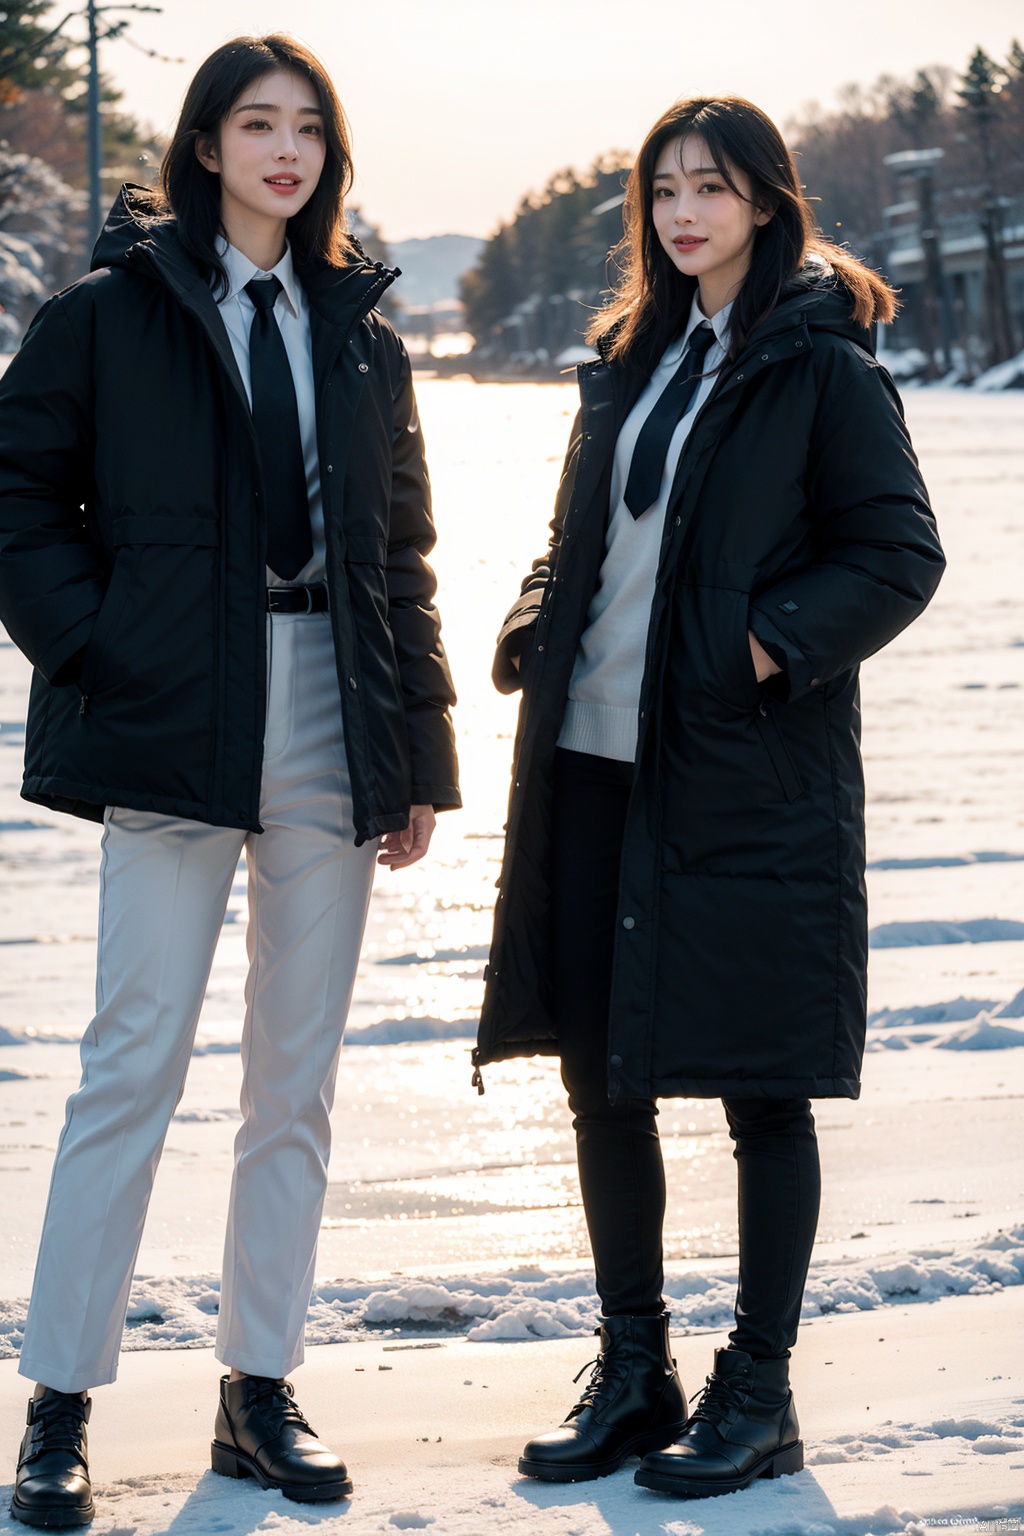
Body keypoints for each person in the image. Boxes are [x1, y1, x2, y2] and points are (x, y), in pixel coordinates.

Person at [0, 33, 459, 1528]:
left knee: (294, 1084)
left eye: (308, 129)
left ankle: (258, 1391)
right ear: (205, 146)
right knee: (130, 1061)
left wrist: (419, 759)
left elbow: (399, 556)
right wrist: (95, 648)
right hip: (168, 717)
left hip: (333, 708)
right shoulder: (106, 315)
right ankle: (59, 1405)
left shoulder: (362, 331)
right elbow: (16, 496)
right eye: (255, 124)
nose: (284, 150)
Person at [473, 94, 944, 1499]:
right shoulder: (630, 361)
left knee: (759, 1088)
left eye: (714, 188)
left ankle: (760, 1392)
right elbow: (587, 540)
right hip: (594, 762)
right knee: (599, 1082)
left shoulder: (819, 365)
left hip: (744, 777)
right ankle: (637, 1371)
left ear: (765, 201)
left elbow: (898, 555)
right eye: (666, 189)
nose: (685, 213)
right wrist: (533, 611)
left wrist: (763, 643)